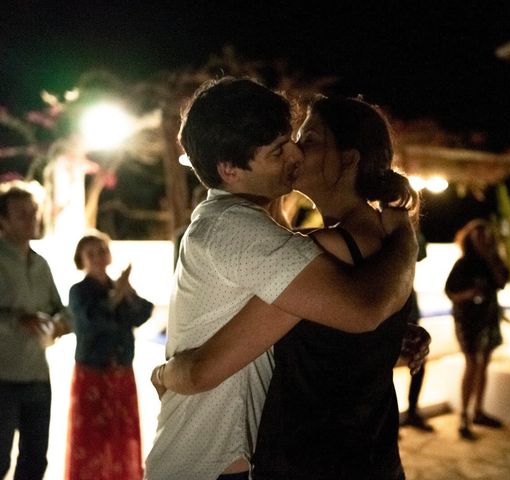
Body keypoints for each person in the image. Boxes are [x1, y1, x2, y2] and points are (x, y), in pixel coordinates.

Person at [144, 78, 418, 480]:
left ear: (348, 159)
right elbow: (350, 328)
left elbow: (360, 314)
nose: (294, 153)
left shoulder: (323, 248)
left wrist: (163, 374)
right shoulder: (251, 233)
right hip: (223, 463)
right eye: (283, 147)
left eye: (303, 140)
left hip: (309, 460)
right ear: (230, 169)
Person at [65, 231, 154, 480]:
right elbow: (95, 321)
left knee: (120, 434)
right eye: (90, 253)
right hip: (93, 371)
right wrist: (117, 296)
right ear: (81, 259)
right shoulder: (79, 291)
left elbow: (142, 313)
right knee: (91, 435)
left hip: (122, 370)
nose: (97, 257)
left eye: (101, 251)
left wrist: (125, 293)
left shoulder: (119, 286)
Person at [0, 180, 71, 480]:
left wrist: (59, 324)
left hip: (38, 377)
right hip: (3, 377)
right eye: (22, 214)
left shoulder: (41, 264)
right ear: (3, 220)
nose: (32, 219)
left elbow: (62, 308)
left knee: (35, 461)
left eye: (34, 212)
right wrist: (16, 319)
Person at [445, 219, 509, 440]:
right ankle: (464, 416)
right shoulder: (463, 264)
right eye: (478, 235)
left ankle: (478, 412)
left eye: (485, 235)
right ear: (470, 238)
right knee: (472, 363)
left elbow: (502, 281)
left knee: (485, 363)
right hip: (467, 320)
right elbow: (450, 292)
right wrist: (470, 294)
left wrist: (490, 257)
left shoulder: (493, 261)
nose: (482, 239)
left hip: (488, 319)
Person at [400, 231, 435, 432]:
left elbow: (420, 253)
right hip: (391, 308)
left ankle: (412, 411)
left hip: (407, 308)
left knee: (418, 362)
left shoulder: (405, 235)